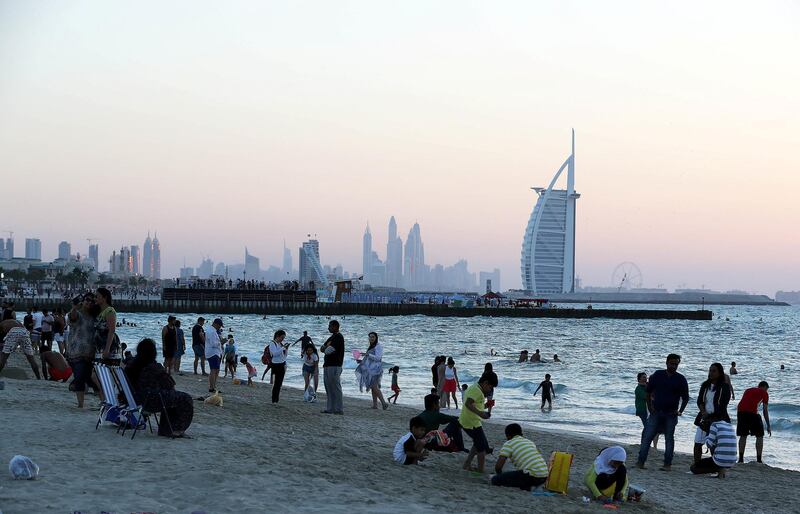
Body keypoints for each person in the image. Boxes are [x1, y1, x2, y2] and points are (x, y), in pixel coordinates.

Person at [124, 338, 194, 437]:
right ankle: (176, 429)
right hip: (149, 401)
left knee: (169, 396)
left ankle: (167, 428)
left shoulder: (131, 366)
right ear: (153, 353)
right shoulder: (153, 367)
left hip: (136, 400)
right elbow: (171, 384)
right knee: (185, 398)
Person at [636, 353, 689, 471]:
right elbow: (648, 392)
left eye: (676, 364)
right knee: (647, 437)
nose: (674, 366)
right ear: (667, 363)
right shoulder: (658, 375)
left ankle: (667, 465)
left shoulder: (680, 379)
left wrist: (680, 411)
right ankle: (640, 462)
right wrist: (650, 408)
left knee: (669, 439)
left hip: (671, 413)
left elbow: (685, 397)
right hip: (656, 412)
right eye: (672, 363)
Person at [459, 372, 498, 474]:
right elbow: (468, 404)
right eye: (490, 387)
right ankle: (480, 471)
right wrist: (481, 414)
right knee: (482, 448)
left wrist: (486, 405)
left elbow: (475, 405)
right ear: (485, 383)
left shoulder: (475, 388)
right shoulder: (476, 390)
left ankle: (467, 464)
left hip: (471, 421)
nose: (490, 390)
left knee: (478, 443)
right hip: (471, 423)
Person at [693, 363, 731, 464]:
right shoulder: (705, 386)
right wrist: (703, 412)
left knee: (714, 445)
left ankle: (716, 466)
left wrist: (712, 417)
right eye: (710, 370)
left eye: (714, 371)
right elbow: (699, 401)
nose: (711, 373)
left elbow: (723, 404)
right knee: (697, 442)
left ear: (720, 373)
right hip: (704, 417)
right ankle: (697, 464)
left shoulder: (724, 387)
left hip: (718, 419)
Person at [492, 423, 549, 491]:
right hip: (544, 476)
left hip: (531, 475)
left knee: (495, 480)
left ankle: (529, 486)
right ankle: (533, 485)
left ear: (508, 436)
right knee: (519, 475)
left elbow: (498, 467)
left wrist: (499, 475)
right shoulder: (529, 442)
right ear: (521, 433)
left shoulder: (508, 444)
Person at [66, 293, 99, 407]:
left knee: (92, 379)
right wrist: (74, 307)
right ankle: (81, 404)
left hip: (91, 352)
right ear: (83, 301)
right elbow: (72, 318)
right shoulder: (78, 314)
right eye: (87, 300)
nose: (89, 302)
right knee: (79, 377)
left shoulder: (95, 316)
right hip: (76, 352)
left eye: (92, 301)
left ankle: (102, 402)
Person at [737, 381, 771, 463]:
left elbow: (745, 402)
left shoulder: (748, 390)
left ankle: (741, 459)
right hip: (752, 412)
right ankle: (759, 459)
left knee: (743, 435)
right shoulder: (764, 393)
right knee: (759, 436)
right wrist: (768, 425)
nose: (766, 391)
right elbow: (765, 410)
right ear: (764, 387)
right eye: (766, 389)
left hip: (740, 412)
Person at [354, 331, 388, 410]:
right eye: (370, 337)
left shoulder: (378, 346)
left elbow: (378, 358)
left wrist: (367, 354)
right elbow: (369, 359)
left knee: (374, 386)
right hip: (371, 369)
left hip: (376, 369)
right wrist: (361, 361)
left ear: (376, 338)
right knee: (373, 387)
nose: (371, 338)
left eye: (373, 337)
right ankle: (375, 405)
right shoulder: (371, 346)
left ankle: (383, 403)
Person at [321, 320, 345, 415]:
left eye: (330, 326)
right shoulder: (332, 337)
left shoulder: (338, 337)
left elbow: (327, 351)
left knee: (335, 387)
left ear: (335, 327)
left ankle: (338, 409)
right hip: (327, 365)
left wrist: (326, 347)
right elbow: (322, 348)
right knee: (328, 387)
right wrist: (326, 347)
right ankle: (330, 408)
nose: (328, 328)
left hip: (335, 365)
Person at [94, 287, 120, 365]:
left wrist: (107, 349)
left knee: (109, 370)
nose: (95, 298)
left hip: (108, 346)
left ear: (104, 298)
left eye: (97, 296)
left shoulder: (110, 311)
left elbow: (111, 330)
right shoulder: (100, 311)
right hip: (99, 346)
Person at [635, 373, 658, 449]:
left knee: (651, 427)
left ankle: (652, 445)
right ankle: (644, 443)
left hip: (650, 409)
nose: (645, 378)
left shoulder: (647, 386)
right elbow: (646, 396)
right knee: (648, 427)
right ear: (639, 379)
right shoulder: (638, 388)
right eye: (643, 377)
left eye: (646, 377)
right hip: (643, 410)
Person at [267, 330, 288, 403]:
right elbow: (274, 354)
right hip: (275, 365)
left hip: (282, 364)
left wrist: (286, 349)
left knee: (279, 384)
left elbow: (284, 356)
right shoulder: (272, 344)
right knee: (276, 384)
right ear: (277, 336)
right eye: (282, 337)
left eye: (283, 338)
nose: (282, 339)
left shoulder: (280, 344)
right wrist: (282, 348)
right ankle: (274, 400)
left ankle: (276, 400)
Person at [204, 318, 224, 393]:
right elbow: (213, 344)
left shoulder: (211, 330)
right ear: (216, 324)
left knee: (216, 370)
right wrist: (221, 342)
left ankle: (213, 386)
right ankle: (212, 387)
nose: (220, 327)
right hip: (213, 353)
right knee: (213, 370)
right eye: (219, 326)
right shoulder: (212, 331)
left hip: (214, 352)